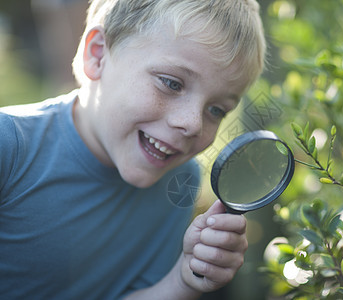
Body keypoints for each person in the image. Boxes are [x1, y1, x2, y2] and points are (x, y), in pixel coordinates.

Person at [0, 0, 266, 299]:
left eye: (216, 110)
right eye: (171, 84)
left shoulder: (180, 181)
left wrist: (184, 282)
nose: (193, 124)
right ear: (98, 54)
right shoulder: (9, 146)